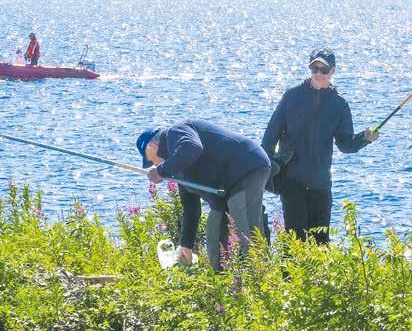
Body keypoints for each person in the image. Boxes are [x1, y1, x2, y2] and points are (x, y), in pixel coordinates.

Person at [262, 48, 379, 244]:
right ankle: (288, 276)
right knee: (294, 241)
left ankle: (319, 277)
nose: (318, 74)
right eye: (314, 68)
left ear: (332, 71)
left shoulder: (339, 105)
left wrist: (365, 138)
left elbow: (345, 144)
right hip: (291, 180)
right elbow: (270, 136)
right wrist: (263, 170)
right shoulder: (291, 96)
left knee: (321, 241)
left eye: (323, 70)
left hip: (321, 183)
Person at [136, 120, 271, 269]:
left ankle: (259, 280)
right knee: (214, 233)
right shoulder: (178, 166)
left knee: (246, 228)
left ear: (150, 146)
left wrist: (161, 171)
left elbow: (192, 147)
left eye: (150, 160)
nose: (153, 164)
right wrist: (186, 245)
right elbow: (190, 208)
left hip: (246, 168)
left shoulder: (174, 132)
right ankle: (223, 284)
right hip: (224, 190)